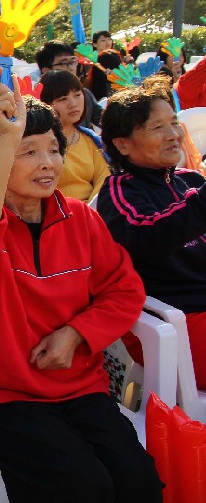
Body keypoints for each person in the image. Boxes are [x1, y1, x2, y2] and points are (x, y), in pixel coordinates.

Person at [0, 71, 161, 503]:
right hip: (6, 395)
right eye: (28, 152)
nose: (47, 162)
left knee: (139, 481)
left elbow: (124, 289)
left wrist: (78, 333)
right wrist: (7, 139)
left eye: (53, 150)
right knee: (84, 488)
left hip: (82, 386)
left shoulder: (81, 218)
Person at [98, 77, 206, 389]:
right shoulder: (119, 192)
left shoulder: (191, 182)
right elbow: (150, 236)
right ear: (122, 143)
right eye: (157, 127)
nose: (174, 134)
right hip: (176, 325)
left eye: (174, 122)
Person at [39, 70, 110, 203]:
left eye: (77, 95)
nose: (73, 103)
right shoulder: (38, 142)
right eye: (62, 99)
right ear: (44, 104)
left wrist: (89, 210)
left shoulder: (90, 139)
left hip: (93, 212)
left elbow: (103, 179)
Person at [36, 42, 101, 127]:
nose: (71, 67)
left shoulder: (85, 94)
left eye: (73, 62)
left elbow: (106, 120)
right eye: (63, 63)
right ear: (46, 70)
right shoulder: (37, 100)